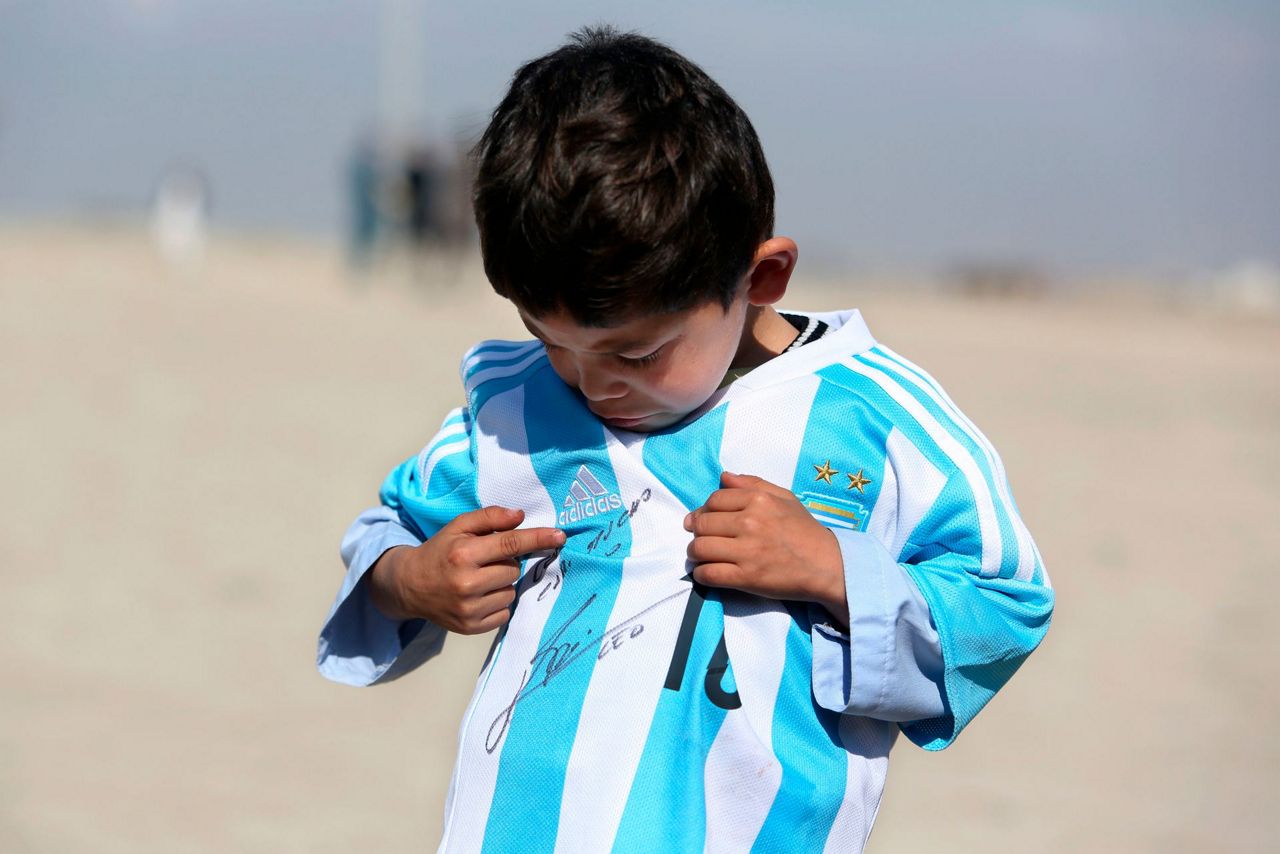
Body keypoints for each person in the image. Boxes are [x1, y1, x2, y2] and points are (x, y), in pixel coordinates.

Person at [317, 26, 1053, 853]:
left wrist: (833, 569)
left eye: (637, 353)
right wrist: (412, 580)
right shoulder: (516, 409)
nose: (593, 383)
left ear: (761, 277)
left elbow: (1006, 601)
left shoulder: (876, 420)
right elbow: (386, 536)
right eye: (551, 339)